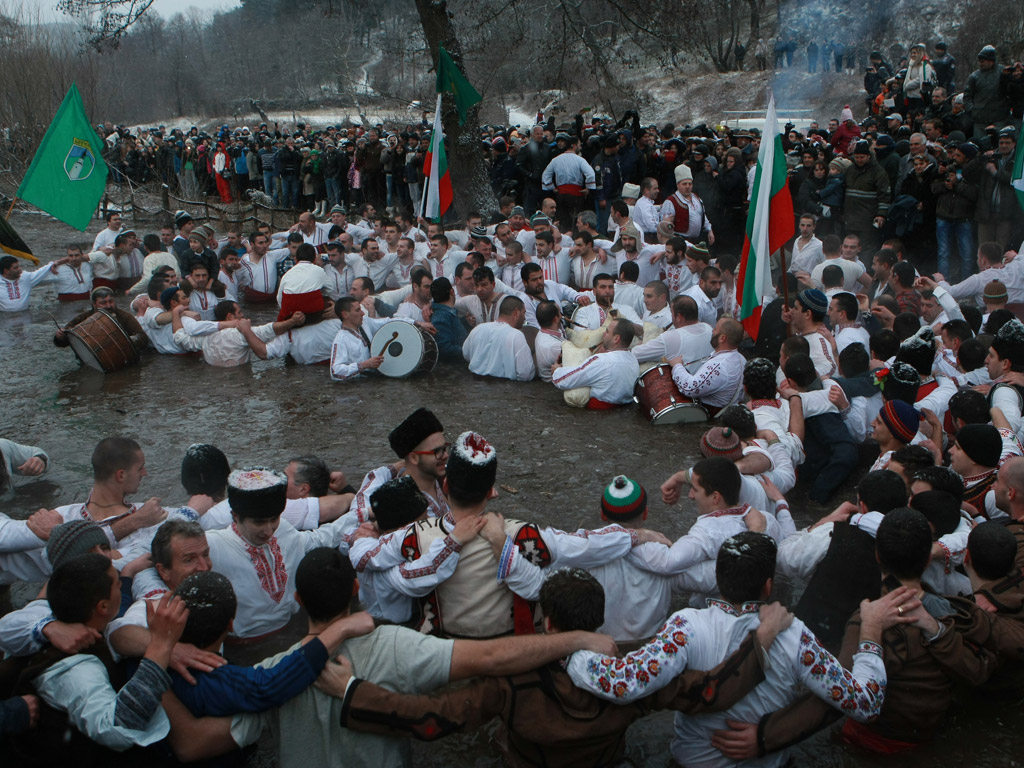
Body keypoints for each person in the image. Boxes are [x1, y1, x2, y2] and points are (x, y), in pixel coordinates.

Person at [565, 530, 909, 768]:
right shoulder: (794, 635)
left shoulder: (686, 627)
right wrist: (870, 631)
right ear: (769, 585)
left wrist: (571, 650)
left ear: (718, 579)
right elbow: (865, 702)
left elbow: (622, 684)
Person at [8, 554, 186, 762]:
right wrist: (160, 646)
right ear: (102, 607)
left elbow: (118, 607)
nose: (121, 589)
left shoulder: (80, 618)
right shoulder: (74, 671)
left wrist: (127, 575)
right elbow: (116, 729)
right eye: (118, 586)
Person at [552, 318, 640, 408]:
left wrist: (556, 371)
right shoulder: (633, 360)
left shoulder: (601, 361)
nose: (604, 335)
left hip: (596, 414)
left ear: (616, 338)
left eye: (607, 332)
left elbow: (564, 380)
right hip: (625, 410)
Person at [668, 318, 746, 415]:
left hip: (715, 418)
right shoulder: (742, 359)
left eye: (716, 329)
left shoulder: (719, 365)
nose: (712, 331)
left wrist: (677, 365)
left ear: (722, 338)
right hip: (731, 413)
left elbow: (690, 388)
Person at [328, 296, 413, 381]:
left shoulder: (365, 322)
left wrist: (415, 322)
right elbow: (335, 372)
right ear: (345, 315)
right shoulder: (340, 340)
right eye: (358, 310)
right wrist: (364, 365)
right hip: (359, 385)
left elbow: (388, 322)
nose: (362, 313)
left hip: (376, 377)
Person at [462, 295, 535, 381]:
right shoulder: (516, 335)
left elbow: (466, 354)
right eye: (523, 313)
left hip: (475, 385)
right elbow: (525, 374)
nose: (524, 317)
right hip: (504, 389)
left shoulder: (478, 328)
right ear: (516, 312)